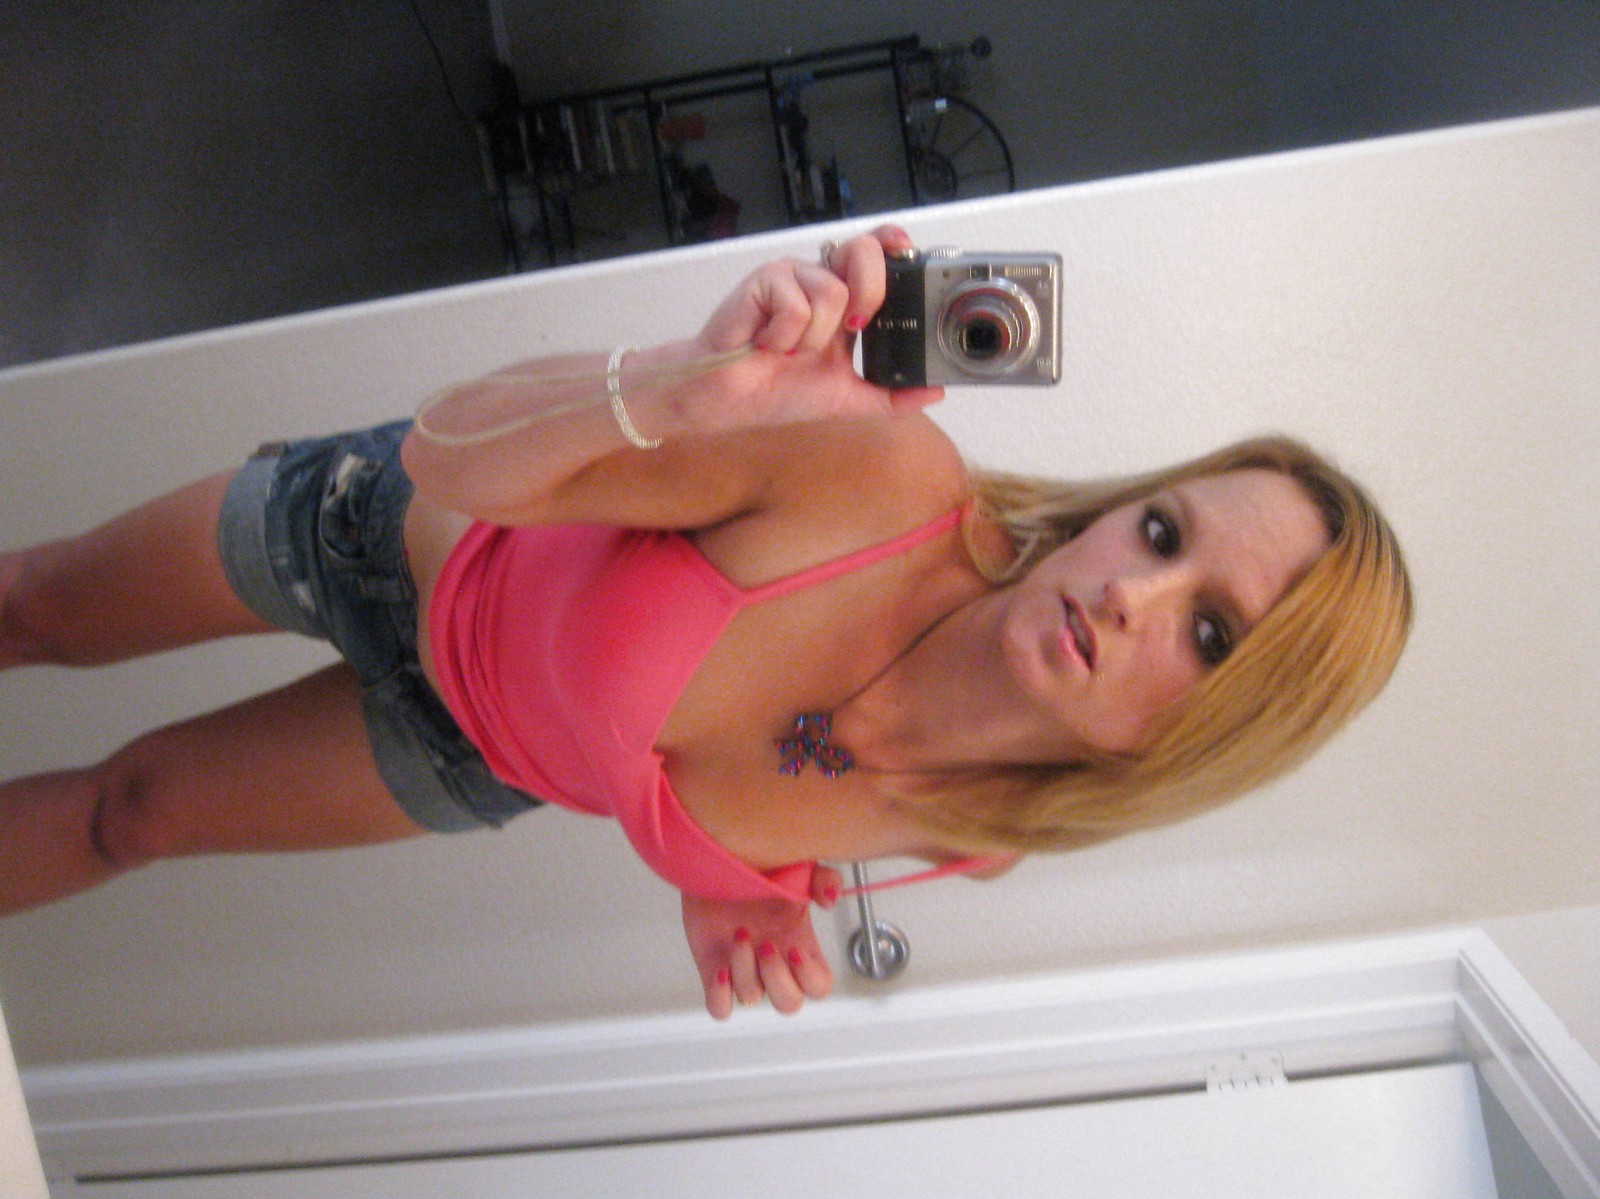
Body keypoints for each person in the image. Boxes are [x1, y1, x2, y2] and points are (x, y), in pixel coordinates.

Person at [0, 226, 1412, 1020]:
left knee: (134, 817)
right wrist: (677, 386)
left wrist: (729, 874)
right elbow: (448, 453)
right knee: (39, 606)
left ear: (1221, 732)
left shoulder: (971, 838)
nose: (1132, 591)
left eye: (1210, 634)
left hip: (472, 757)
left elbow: (750, 754)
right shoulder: (883, 480)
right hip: (386, 532)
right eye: (1162, 533)